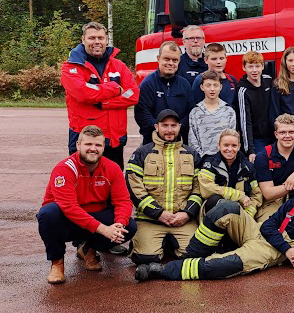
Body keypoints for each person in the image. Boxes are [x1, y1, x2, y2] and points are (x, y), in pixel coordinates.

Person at [134, 177, 294, 283]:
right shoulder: (291, 204)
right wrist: (287, 248)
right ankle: (188, 257)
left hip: (269, 252)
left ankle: (164, 271)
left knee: (226, 265)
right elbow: (268, 226)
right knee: (226, 208)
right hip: (261, 233)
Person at [37, 125, 136, 284]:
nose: (93, 149)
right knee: (48, 213)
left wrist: (119, 224)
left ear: (104, 147)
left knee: (129, 226)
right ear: (78, 146)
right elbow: (69, 208)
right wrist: (104, 229)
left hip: (95, 217)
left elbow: (123, 201)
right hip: (67, 220)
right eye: (88, 144)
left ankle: (88, 248)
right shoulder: (64, 168)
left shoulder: (112, 168)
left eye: (98, 145)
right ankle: (57, 263)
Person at [125, 110, 202, 264]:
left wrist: (187, 214)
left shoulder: (192, 154)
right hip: (150, 219)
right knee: (145, 259)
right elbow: (135, 188)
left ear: (180, 127)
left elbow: (199, 188)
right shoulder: (142, 153)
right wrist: (158, 213)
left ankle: (168, 243)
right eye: (164, 125)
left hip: (182, 220)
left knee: (192, 258)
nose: (169, 129)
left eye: (173, 125)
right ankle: (157, 242)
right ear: (156, 126)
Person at [62, 21, 139, 167]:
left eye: (100, 38)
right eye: (92, 38)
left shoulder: (119, 66)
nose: (96, 42)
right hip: (85, 141)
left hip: (114, 140)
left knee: (112, 185)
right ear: (83, 40)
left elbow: (133, 95)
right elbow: (83, 94)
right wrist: (115, 89)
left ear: (106, 40)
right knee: (83, 185)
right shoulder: (71, 67)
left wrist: (103, 103)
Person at [193, 129, 262, 260]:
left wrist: (248, 214)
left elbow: (256, 195)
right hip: (212, 214)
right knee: (215, 200)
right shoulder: (209, 163)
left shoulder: (248, 166)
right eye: (226, 145)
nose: (230, 149)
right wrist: (238, 195)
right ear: (219, 146)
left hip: (239, 215)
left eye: (234, 145)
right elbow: (206, 189)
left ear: (239, 146)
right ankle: (214, 245)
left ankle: (231, 245)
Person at [254, 113, 294, 224]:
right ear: (276, 134)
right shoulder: (263, 156)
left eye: (291, 132)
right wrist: (293, 185)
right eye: (282, 132)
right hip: (272, 202)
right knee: (267, 228)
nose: (287, 136)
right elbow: (268, 193)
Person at [135, 41, 192, 142]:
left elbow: (190, 112)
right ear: (158, 58)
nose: (170, 63)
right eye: (166, 59)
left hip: (180, 142)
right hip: (152, 142)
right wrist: (161, 130)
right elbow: (142, 113)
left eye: (175, 60)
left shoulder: (185, 84)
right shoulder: (148, 84)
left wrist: (176, 129)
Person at [188, 71, 238, 157]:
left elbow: (232, 139)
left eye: (215, 85)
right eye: (208, 85)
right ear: (202, 87)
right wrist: (203, 159)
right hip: (202, 161)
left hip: (224, 160)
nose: (212, 89)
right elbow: (192, 141)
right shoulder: (195, 112)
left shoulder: (229, 111)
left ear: (220, 87)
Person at [235, 50, 274, 160]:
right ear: (244, 68)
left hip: (273, 136)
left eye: (257, 66)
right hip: (256, 140)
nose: (254, 70)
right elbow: (244, 121)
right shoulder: (242, 90)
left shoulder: (269, 80)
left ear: (262, 66)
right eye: (250, 67)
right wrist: (250, 150)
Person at [190, 43, 238, 107]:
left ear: (226, 59)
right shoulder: (200, 80)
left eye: (221, 58)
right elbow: (196, 106)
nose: (218, 62)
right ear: (206, 60)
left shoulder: (231, 80)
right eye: (214, 59)